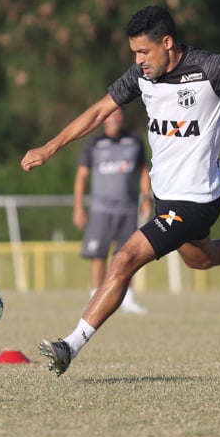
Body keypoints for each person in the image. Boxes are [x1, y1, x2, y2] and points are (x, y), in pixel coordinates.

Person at [21, 5, 220, 376]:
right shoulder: (140, 76)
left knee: (125, 259)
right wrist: (49, 148)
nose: (138, 60)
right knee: (201, 258)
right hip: (168, 196)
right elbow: (99, 111)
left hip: (197, 199)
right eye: (134, 53)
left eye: (144, 52)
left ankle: (71, 345)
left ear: (167, 42)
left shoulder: (211, 69)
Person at [73, 107, 151, 315]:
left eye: (118, 114)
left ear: (122, 118)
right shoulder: (94, 144)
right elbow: (81, 177)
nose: (115, 118)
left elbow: (144, 171)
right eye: (111, 114)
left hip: (128, 208)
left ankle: (128, 299)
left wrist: (147, 197)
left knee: (128, 255)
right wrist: (79, 207)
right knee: (98, 255)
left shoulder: (134, 141)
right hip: (101, 209)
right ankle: (94, 298)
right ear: (104, 119)